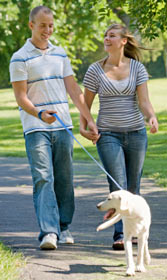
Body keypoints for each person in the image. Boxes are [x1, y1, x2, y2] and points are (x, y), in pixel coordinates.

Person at [9, 5, 98, 250]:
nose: (47, 30)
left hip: (63, 128)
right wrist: (38, 113)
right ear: (31, 25)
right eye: (42, 25)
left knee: (64, 179)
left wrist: (89, 119)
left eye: (50, 25)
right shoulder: (19, 57)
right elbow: (20, 97)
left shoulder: (61, 54)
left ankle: (64, 226)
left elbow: (73, 90)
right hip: (36, 128)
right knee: (43, 178)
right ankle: (49, 232)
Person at [80, 23, 158, 250]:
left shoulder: (137, 68)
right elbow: (85, 105)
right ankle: (120, 234)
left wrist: (151, 117)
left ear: (123, 41)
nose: (106, 38)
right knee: (118, 186)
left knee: (133, 187)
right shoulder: (95, 70)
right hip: (108, 135)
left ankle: (134, 232)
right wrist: (84, 127)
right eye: (105, 35)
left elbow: (144, 101)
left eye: (112, 35)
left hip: (136, 134)